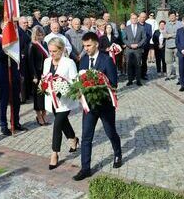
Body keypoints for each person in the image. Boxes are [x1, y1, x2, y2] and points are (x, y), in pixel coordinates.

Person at [73, 32, 122, 181]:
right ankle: (85, 168)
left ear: (96, 44)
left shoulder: (106, 60)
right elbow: (79, 81)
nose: (86, 48)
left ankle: (118, 153)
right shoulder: (83, 61)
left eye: (88, 45)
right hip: (89, 107)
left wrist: (98, 87)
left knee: (110, 132)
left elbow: (114, 83)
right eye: (84, 46)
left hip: (105, 106)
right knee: (86, 137)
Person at [42, 37, 79, 170]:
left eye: (54, 51)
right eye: (50, 51)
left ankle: (54, 153)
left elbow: (75, 82)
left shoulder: (69, 63)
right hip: (51, 99)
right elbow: (44, 77)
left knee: (57, 124)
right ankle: (73, 139)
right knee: (63, 122)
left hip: (65, 101)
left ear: (62, 50)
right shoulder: (47, 61)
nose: (52, 54)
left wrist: (64, 88)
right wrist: (43, 85)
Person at [0, 22, 27, 136]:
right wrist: (5, 49)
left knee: (16, 99)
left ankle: (15, 122)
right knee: (4, 100)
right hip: (3, 73)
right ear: (2, 27)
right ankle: (3, 125)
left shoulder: (15, 39)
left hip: (15, 72)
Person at [28, 26, 49, 126]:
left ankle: (44, 114)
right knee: (38, 96)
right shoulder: (32, 45)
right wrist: (34, 76)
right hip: (37, 73)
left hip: (45, 73)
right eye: (38, 35)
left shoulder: (45, 44)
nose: (40, 37)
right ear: (34, 35)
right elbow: (30, 62)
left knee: (45, 94)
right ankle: (38, 115)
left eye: (41, 35)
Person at [123, 13, 147, 86]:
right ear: (130, 19)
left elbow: (144, 38)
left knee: (138, 65)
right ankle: (130, 80)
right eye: (132, 18)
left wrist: (138, 45)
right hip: (129, 50)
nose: (134, 19)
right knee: (129, 65)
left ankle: (138, 80)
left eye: (135, 18)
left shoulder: (141, 28)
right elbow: (124, 39)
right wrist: (130, 45)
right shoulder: (126, 28)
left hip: (138, 49)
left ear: (137, 19)